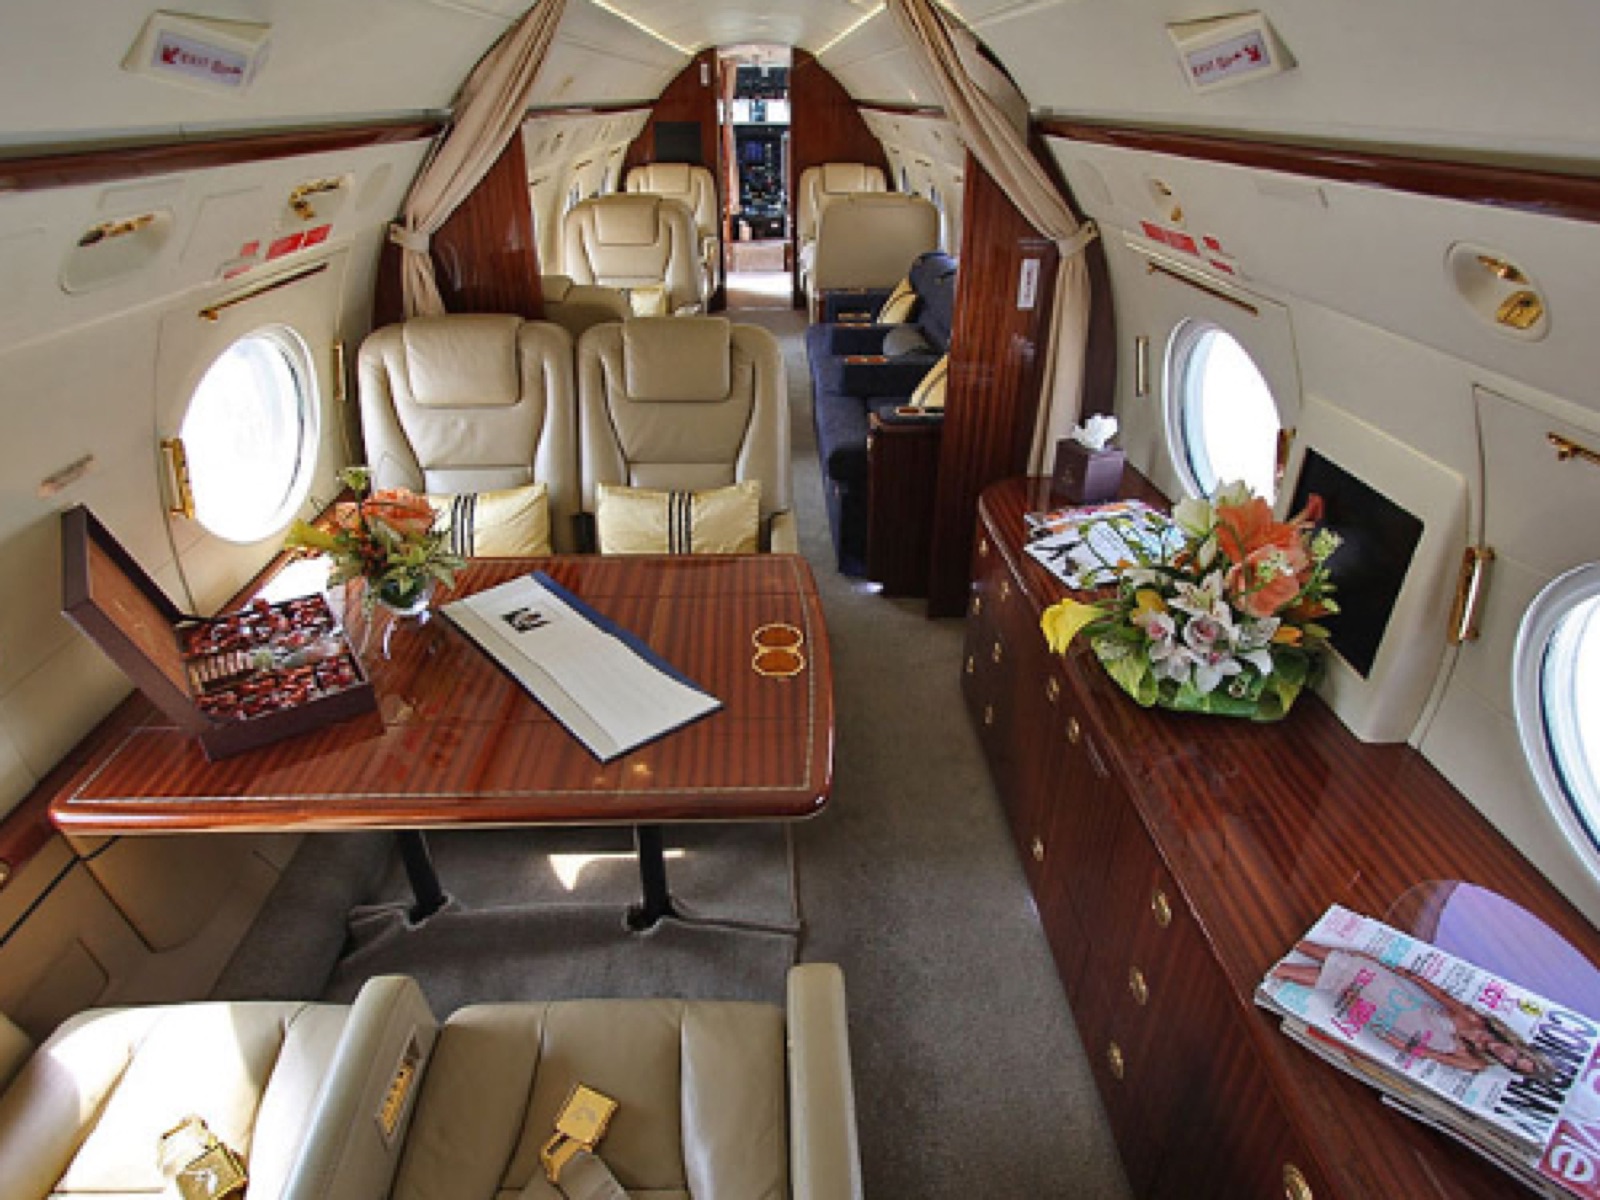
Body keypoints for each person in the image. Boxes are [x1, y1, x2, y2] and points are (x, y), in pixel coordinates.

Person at [1271, 939, 1554, 1078]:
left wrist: (1371, 1021)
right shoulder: (1477, 1021)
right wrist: (1410, 975)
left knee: (1311, 978)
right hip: (1392, 992)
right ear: (1518, 1046)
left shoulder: (1475, 1061)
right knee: (1339, 959)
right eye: (1518, 1055)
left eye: (1513, 1064)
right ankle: (1281, 938)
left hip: (1384, 1014)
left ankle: (1271, 966)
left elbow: (1420, 1051)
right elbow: (1441, 995)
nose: (1509, 1057)